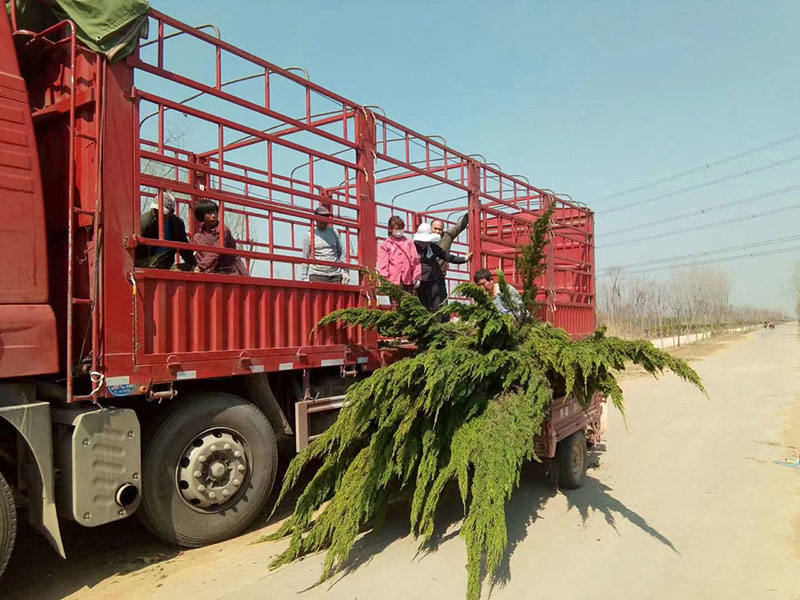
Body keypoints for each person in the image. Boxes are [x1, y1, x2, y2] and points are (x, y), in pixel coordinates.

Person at [413, 223, 471, 313]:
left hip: (433, 279)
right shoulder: (412, 247)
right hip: (419, 281)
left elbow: (447, 257)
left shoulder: (433, 247)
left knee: (437, 305)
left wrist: (464, 259)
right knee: (422, 306)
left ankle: (437, 324)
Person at [135, 191, 196, 270]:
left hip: (166, 263)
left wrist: (193, 264)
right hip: (145, 264)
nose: (156, 213)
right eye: (155, 209)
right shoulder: (144, 222)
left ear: (171, 212)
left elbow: (184, 247)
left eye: (161, 211)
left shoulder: (177, 224)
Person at [192, 199, 247, 275]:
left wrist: (200, 267)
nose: (213, 216)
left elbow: (217, 252)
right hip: (210, 270)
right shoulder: (198, 237)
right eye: (209, 213)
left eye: (214, 212)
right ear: (201, 215)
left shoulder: (223, 230)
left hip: (228, 269)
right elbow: (200, 256)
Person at [301, 205, 350, 284]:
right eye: (322, 219)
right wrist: (304, 277)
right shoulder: (310, 234)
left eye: (326, 219)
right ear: (316, 219)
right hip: (317, 275)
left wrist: (346, 271)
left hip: (335, 275)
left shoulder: (334, 232)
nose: (324, 222)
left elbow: (341, 252)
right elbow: (305, 257)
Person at [431, 212, 469, 306]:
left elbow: (460, 226)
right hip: (425, 278)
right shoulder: (423, 239)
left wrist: (470, 213)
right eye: (435, 228)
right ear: (430, 228)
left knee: (443, 305)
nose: (437, 231)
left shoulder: (446, 237)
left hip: (439, 277)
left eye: (440, 229)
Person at [378, 215, 421, 293]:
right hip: (393, 280)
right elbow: (384, 264)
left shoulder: (409, 243)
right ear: (390, 229)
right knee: (396, 304)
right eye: (396, 229)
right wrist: (383, 278)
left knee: (409, 303)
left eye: (401, 229)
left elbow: (415, 261)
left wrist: (417, 276)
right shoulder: (385, 245)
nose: (399, 231)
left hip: (408, 280)